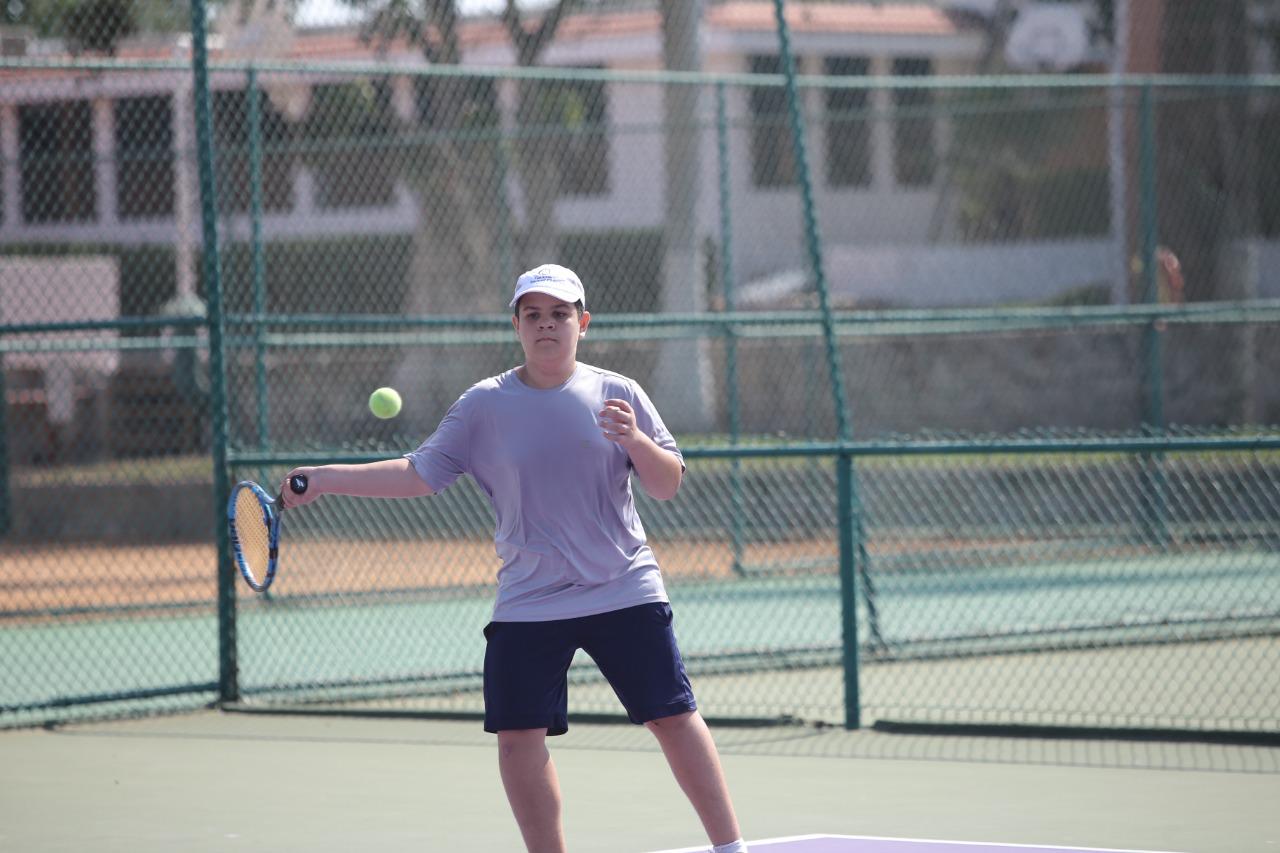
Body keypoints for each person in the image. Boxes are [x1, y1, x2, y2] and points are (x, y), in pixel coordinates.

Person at [280, 264, 748, 853]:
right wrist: (323, 478)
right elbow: (419, 474)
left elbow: (667, 484)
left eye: (559, 314)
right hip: (529, 599)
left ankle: (731, 849)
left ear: (583, 322)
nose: (546, 325)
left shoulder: (618, 392)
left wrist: (635, 440)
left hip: (622, 587)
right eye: (533, 315)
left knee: (672, 717)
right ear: (517, 325)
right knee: (516, 739)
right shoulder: (484, 405)